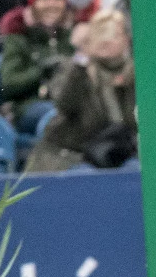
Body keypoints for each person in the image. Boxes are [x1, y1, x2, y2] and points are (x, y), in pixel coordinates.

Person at [29, 12, 136, 172]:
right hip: (73, 155)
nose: (106, 40)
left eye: (113, 34)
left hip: (118, 154)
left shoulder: (136, 74)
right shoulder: (75, 69)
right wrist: (81, 63)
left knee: (136, 171)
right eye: (100, 33)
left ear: (126, 40)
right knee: (87, 174)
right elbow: (64, 104)